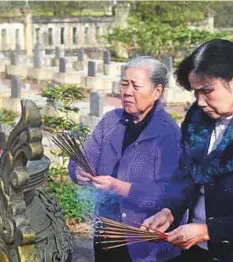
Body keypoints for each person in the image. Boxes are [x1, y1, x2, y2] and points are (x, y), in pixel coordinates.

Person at [142, 39, 233, 262]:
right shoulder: (198, 127)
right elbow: (184, 177)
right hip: (198, 252)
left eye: (207, 91)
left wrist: (206, 230)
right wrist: (169, 211)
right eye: (195, 92)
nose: (200, 102)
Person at [68, 56, 183, 262]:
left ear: (157, 91)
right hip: (106, 234)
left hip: (144, 243)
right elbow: (84, 157)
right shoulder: (111, 121)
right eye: (124, 84)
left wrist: (120, 187)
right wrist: (78, 169)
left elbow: (169, 194)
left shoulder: (167, 133)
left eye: (136, 86)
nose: (128, 92)